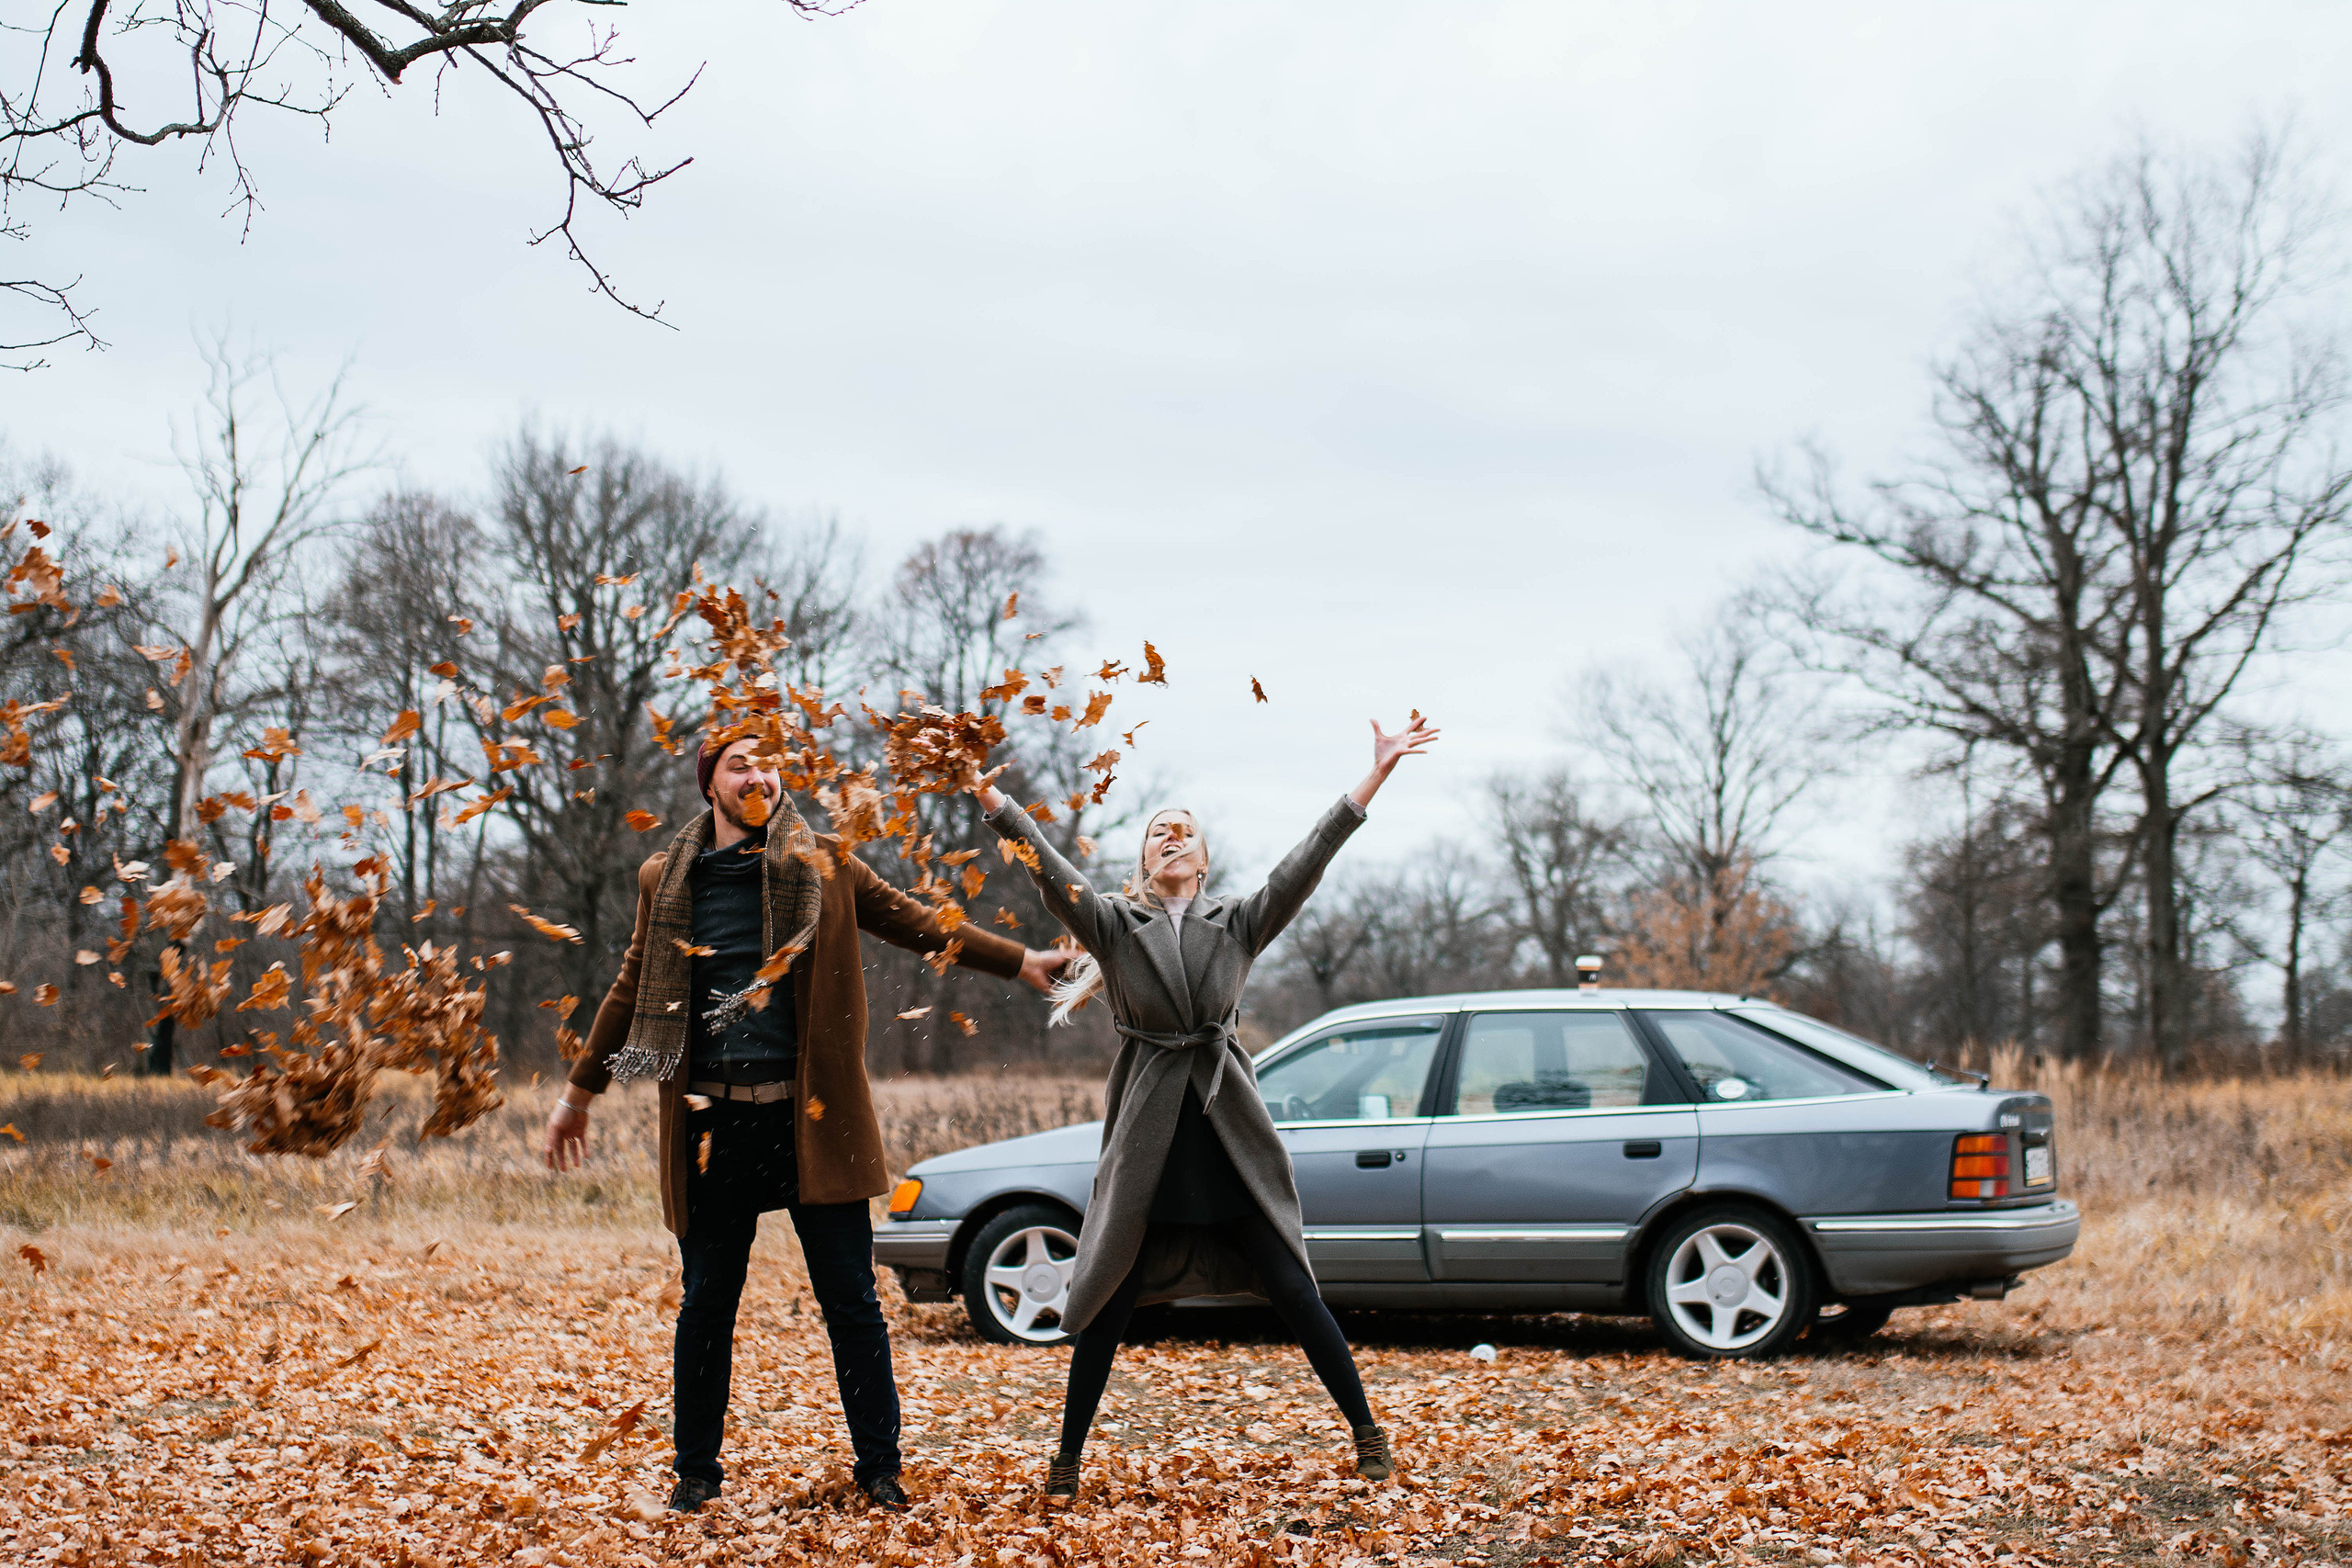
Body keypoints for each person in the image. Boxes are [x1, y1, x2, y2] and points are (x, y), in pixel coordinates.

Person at [543, 735, 1072, 1514]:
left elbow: (918, 922)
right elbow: (631, 981)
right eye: (738, 763)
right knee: (706, 1305)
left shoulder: (826, 862)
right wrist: (578, 1092)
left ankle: (879, 1470)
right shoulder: (668, 877)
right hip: (710, 1125)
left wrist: (1016, 958)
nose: (758, 774)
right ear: (710, 785)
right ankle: (697, 1477)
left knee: (851, 1299)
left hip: (812, 1120)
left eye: (768, 761)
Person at [967, 713, 1440, 1498]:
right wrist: (997, 806)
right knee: (1109, 1299)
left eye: (1185, 831)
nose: (1172, 837)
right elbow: (1050, 872)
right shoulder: (1115, 925)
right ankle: (1067, 1462)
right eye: (1159, 832)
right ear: (1146, 860)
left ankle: (1367, 1432)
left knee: (1294, 1288)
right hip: (1151, 1134)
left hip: (1226, 1133)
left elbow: (1308, 860)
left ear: (1205, 857)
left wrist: (1378, 773)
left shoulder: (1241, 922)